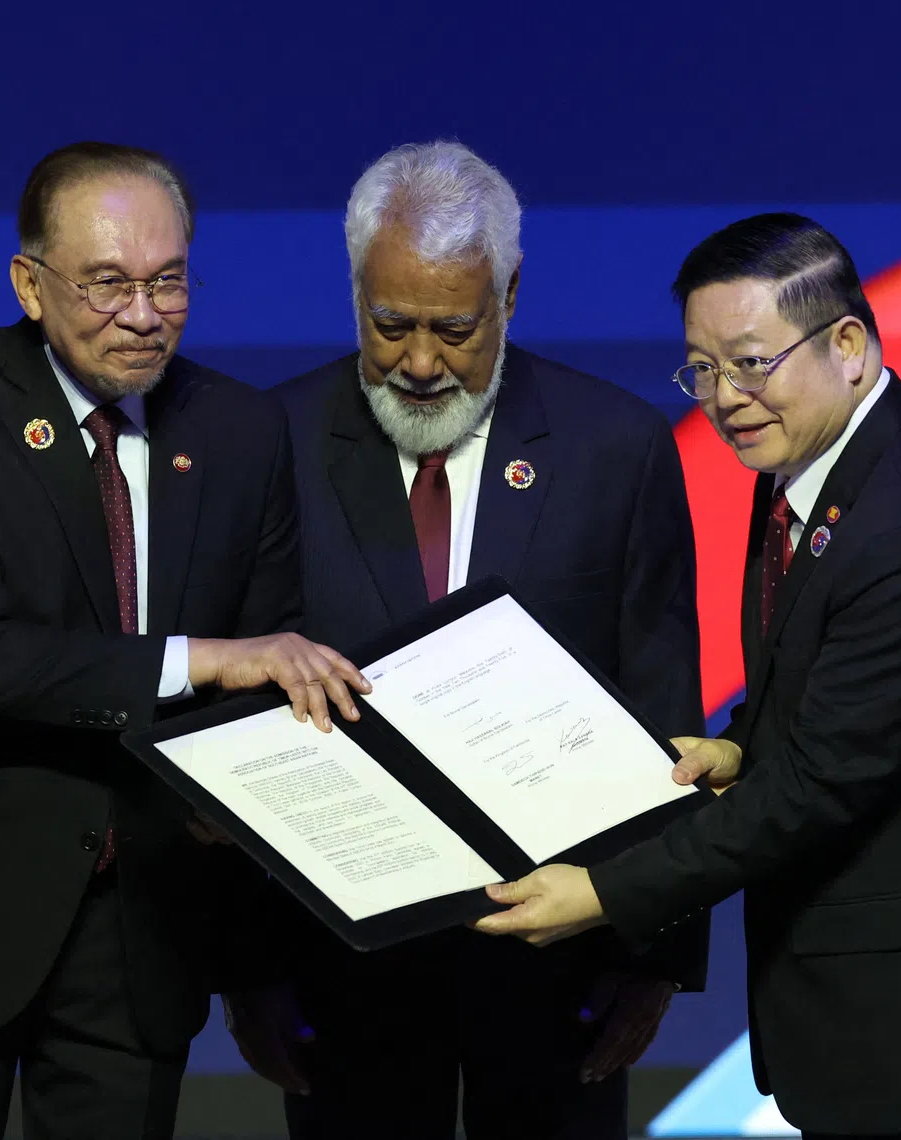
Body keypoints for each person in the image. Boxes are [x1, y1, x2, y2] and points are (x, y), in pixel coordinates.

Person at [0, 141, 366, 1140]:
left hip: (146, 919)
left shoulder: (238, 429)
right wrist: (206, 659)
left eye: (168, 281)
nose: (143, 316)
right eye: (106, 285)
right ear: (29, 284)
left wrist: (245, 769)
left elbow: (273, 653)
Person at [474, 213, 901, 1139]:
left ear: (847, 344)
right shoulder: (820, 457)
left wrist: (605, 895)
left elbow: (816, 790)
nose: (724, 398)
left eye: (751, 363)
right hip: (866, 1028)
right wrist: (739, 743)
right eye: (702, 369)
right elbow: (822, 674)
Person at [223, 141, 707, 1140]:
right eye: (389, 324)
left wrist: (653, 955)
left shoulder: (614, 447)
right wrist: (248, 971)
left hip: (559, 967)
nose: (420, 363)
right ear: (355, 290)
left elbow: (664, 700)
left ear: (511, 296)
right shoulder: (271, 444)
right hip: (339, 973)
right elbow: (232, 719)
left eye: (453, 327)